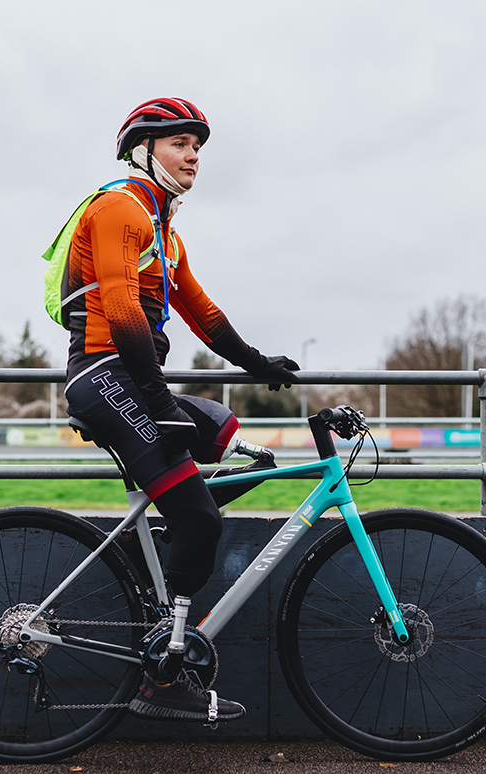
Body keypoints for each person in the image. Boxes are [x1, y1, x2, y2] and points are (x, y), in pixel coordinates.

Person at [48, 97, 299, 722]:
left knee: (232, 437)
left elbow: (202, 313)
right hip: (106, 377)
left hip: (133, 379)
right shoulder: (119, 209)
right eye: (180, 144)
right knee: (204, 523)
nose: (193, 156)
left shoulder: (166, 235)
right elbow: (123, 310)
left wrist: (257, 363)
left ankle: (153, 549)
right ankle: (161, 680)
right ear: (144, 151)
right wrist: (158, 401)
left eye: (198, 147)